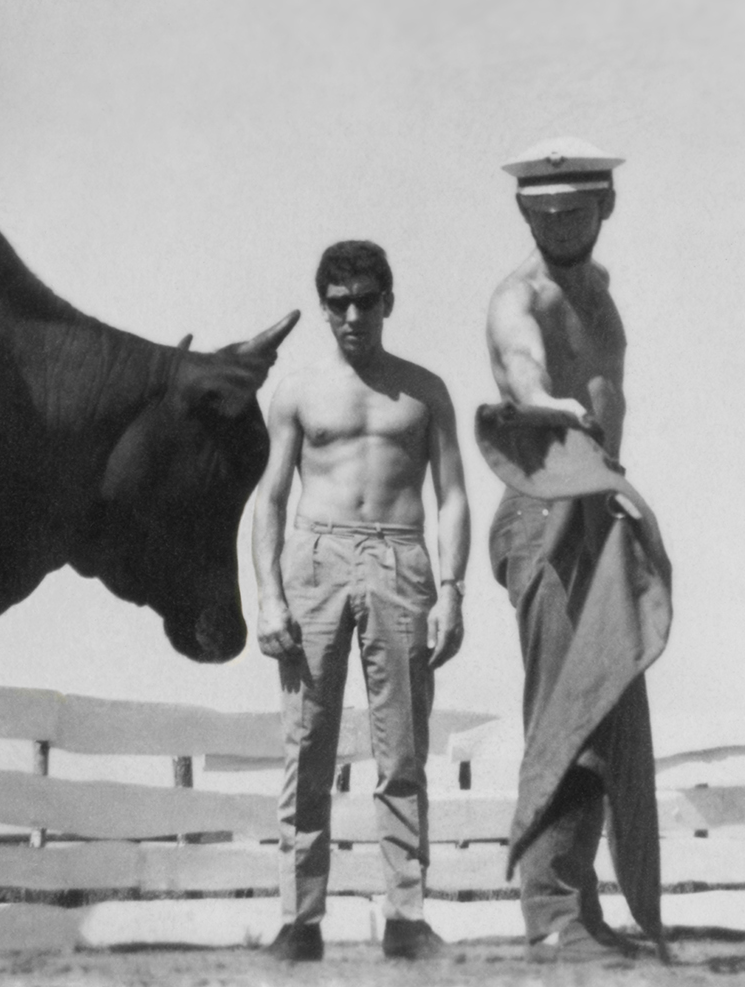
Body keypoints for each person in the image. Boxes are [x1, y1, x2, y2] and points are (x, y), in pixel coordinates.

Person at [251, 240, 470, 963]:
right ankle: (298, 919)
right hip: (315, 558)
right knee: (307, 743)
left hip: (401, 558)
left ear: (388, 301)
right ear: (323, 307)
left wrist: (454, 592)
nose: (352, 315)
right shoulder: (298, 392)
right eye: (338, 302)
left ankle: (406, 915)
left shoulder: (423, 390)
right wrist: (269, 598)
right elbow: (271, 500)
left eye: (366, 300)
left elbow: (454, 496)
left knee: (401, 748)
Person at [484, 137, 669, 963]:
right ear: (525, 211)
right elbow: (520, 364)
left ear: (606, 208)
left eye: (575, 212)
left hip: (600, 505)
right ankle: (551, 915)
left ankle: (582, 907)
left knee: (606, 706)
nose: (558, 227)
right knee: (565, 711)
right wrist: (541, 398)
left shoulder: (600, 290)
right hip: (544, 510)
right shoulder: (516, 296)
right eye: (543, 213)